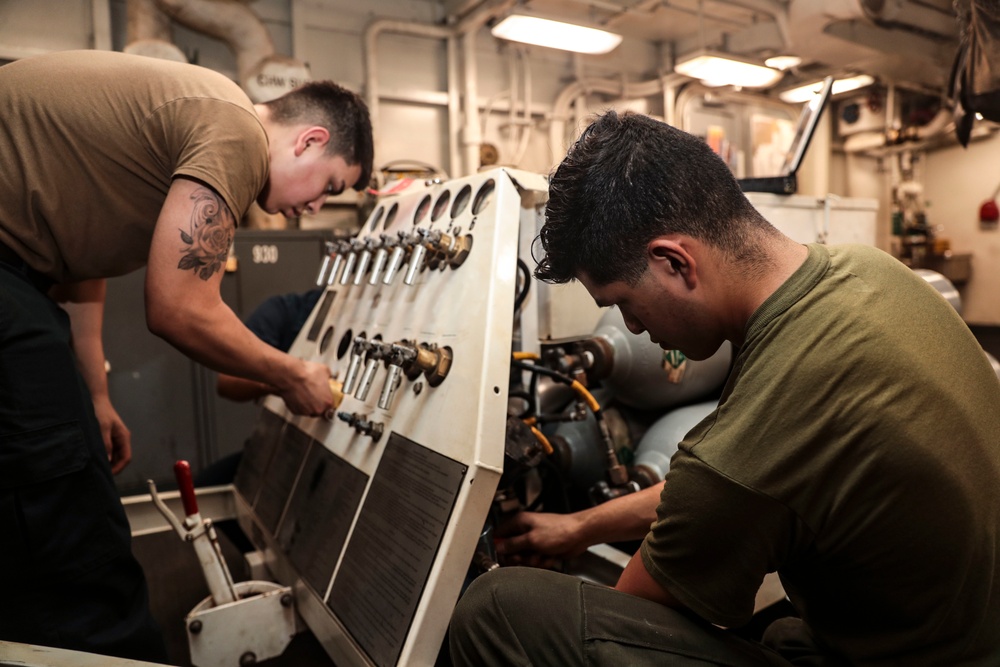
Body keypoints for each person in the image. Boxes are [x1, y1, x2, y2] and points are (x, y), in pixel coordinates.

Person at [449, 110, 1000, 666]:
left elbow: (621, 628)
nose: (633, 327)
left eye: (622, 303)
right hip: (957, 632)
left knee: (500, 609)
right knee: (779, 628)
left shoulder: (765, 427)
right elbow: (737, 484)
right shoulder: (866, 270)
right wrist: (577, 528)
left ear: (673, 262)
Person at [0, 49, 372, 661]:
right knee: (74, 540)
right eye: (330, 186)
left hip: (22, 276)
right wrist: (290, 373)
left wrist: (95, 395)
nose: (315, 208)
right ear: (308, 140)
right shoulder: (235, 129)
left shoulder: (198, 128)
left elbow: (77, 263)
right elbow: (179, 306)